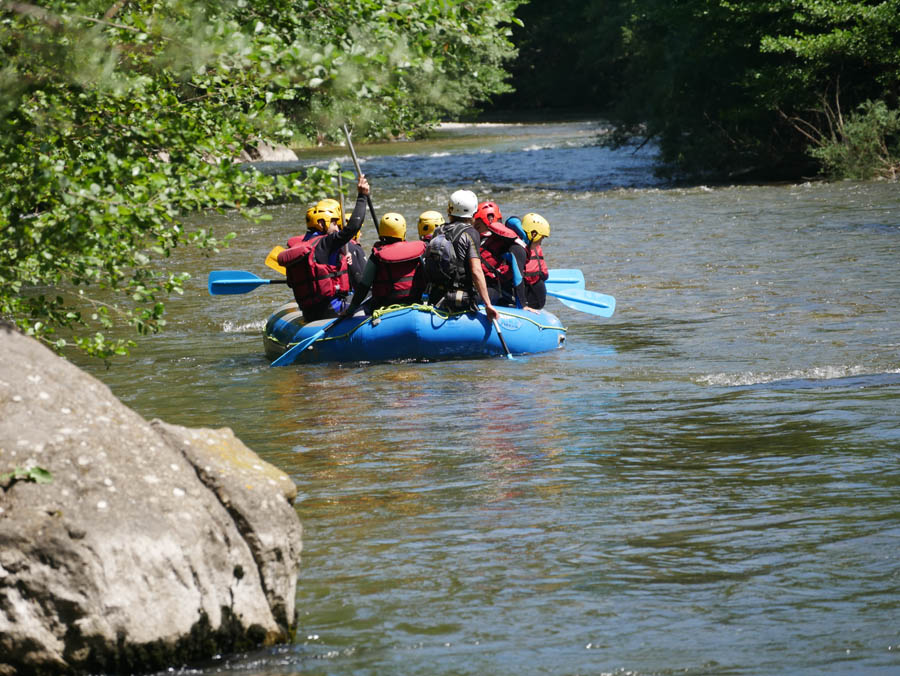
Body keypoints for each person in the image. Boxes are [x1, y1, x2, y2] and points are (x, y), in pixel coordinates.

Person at [277, 175, 370, 321]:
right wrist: (362, 196)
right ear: (321, 224)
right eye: (334, 223)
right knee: (372, 294)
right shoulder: (325, 243)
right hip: (333, 310)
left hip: (309, 313)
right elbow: (353, 227)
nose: (337, 227)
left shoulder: (300, 245)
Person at [422, 189, 499, 322]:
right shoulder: (471, 233)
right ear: (473, 212)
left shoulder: (438, 230)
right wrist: (488, 305)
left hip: (435, 295)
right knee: (497, 291)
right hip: (460, 299)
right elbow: (476, 270)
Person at [342, 212, 426, 316]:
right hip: (414, 304)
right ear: (403, 231)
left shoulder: (377, 256)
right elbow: (426, 277)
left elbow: (364, 287)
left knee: (363, 309)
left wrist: (350, 310)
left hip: (384, 308)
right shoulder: (417, 253)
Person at [475, 203, 531, 310]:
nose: (475, 229)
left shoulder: (510, 245)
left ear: (489, 221)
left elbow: (518, 275)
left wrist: (523, 305)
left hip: (502, 294)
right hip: (481, 287)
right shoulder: (477, 240)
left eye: (477, 226)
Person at [515, 213, 551, 310]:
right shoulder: (519, 250)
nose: (540, 243)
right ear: (533, 234)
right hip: (529, 297)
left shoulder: (515, 244)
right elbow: (545, 275)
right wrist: (523, 305)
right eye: (541, 238)